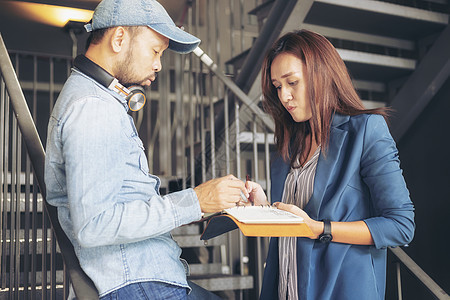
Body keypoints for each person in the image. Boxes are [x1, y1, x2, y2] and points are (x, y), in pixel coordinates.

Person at [44, 0, 250, 299]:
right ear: (118, 39)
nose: (158, 64)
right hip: (138, 282)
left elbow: (121, 205)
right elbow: (95, 225)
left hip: (142, 277)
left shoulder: (99, 102)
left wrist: (208, 205)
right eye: (155, 51)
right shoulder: (93, 108)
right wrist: (196, 200)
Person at [253, 29, 415, 299]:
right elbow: (296, 220)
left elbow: (400, 225)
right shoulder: (287, 146)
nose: (284, 96)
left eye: (292, 82)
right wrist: (264, 209)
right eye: (278, 86)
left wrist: (318, 229)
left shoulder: (365, 131)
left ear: (322, 75)